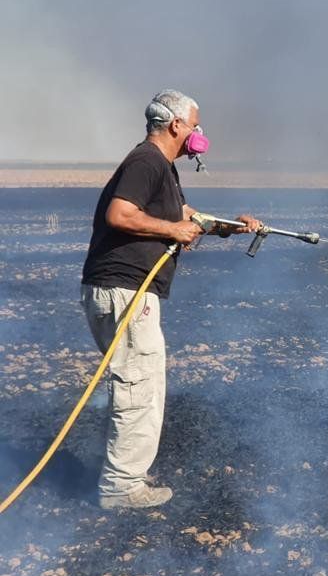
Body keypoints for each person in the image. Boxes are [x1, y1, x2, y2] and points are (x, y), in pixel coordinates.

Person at [80, 90, 260, 509]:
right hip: (125, 290)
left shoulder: (162, 169)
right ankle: (121, 488)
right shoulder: (147, 161)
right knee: (138, 384)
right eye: (195, 125)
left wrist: (234, 227)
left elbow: (188, 217)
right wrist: (172, 232)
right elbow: (120, 215)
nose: (199, 133)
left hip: (125, 290)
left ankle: (123, 476)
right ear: (176, 125)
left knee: (138, 380)